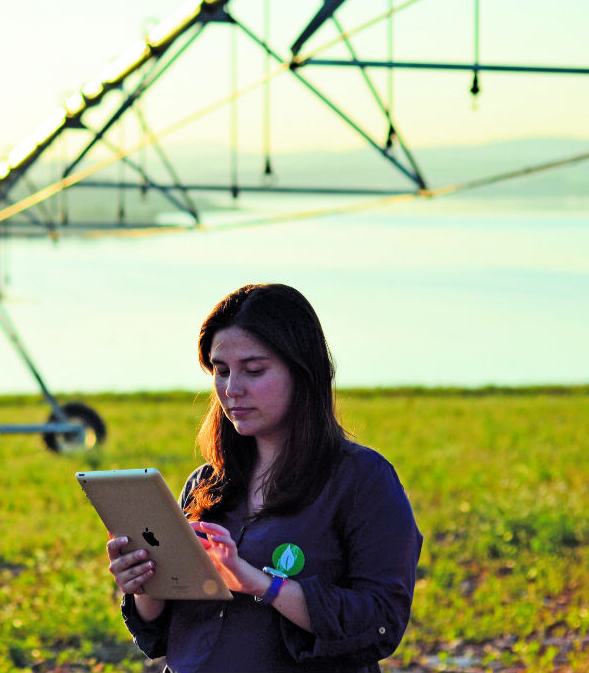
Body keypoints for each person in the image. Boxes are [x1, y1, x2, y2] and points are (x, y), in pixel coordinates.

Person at [105, 283, 422, 673]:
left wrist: (262, 585)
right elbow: (167, 633)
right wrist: (144, 587)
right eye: (220, 372)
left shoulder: (363, 480)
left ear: (302, 372)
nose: (232, 389)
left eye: (254, 370)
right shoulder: (206, 485)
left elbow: (380, 621)